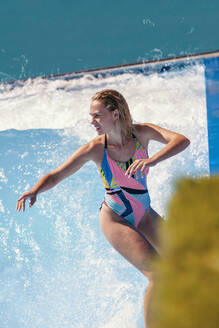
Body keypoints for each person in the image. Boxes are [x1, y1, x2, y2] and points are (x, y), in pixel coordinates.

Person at [16, 89, 190, 327]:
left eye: (97, 115)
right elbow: (56, 175)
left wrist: (153, 159)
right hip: (115, 219)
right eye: (91, 116)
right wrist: (35, 190)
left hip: (144, 213)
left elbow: (182, 140)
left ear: (115, 113)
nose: (92, 121)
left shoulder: (142, 133)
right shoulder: (96, 149)